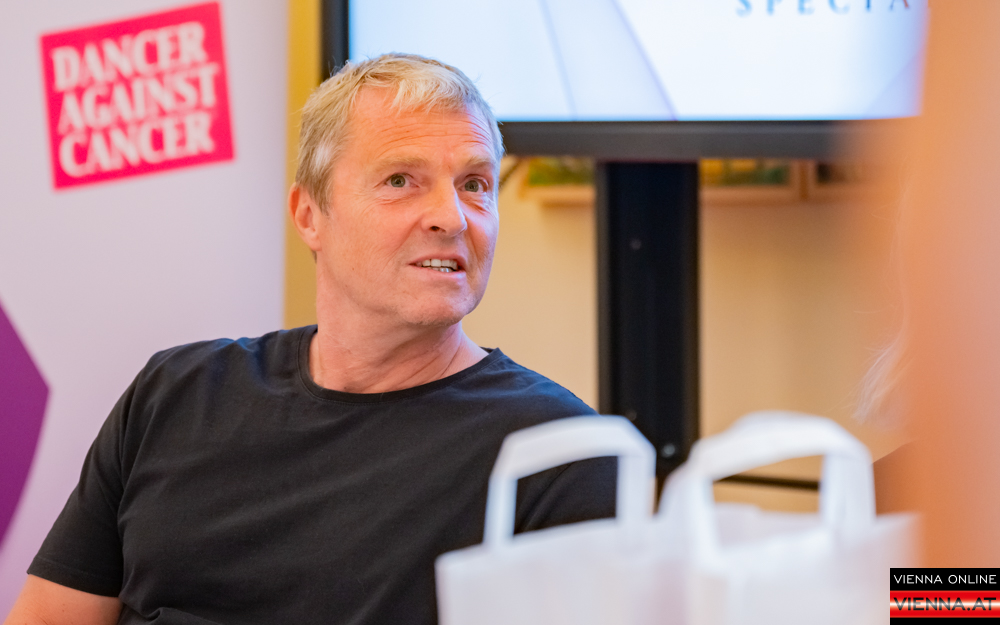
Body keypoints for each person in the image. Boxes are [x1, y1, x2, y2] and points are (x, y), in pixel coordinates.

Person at [3, 54, 615, 624]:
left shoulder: (557, 453)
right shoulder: (175, 394)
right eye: (401, 180)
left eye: (475, 184)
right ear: (309, 215)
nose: (451, 218)